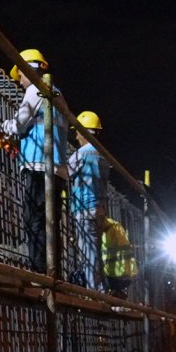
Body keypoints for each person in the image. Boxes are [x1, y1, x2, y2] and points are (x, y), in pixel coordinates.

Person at [0, 48, 68, 273]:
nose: (19, 81)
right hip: (57, 168)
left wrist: (4, 129)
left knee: (34, 220)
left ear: (28, 68)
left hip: (38, 166)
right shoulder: (57, 95)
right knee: (51, 223)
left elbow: (19, 123)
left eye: (20, 74)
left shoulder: (35, 90)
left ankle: (39, 271)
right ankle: (53, 269)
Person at [67, 110, 107, 288]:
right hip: (98, 209)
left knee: (88, 253)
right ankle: (99, 287)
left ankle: (94, 291)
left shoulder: (82, 153)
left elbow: (64, 172)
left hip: (84, 208)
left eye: (77, 131)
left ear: (84, 131)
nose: (75, 136)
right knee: (95, 252)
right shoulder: (102, 155)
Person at [97, 207, 137, 299]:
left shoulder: (110, 231)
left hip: (117, 275)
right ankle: (116, 294)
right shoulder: (116, 226)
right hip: (126, 274)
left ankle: (113, 294)